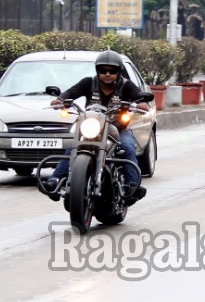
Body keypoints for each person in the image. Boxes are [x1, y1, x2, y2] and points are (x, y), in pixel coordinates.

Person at [40, 51, 151, 203]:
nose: (107, 74)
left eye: (112, 71)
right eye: (103, 70)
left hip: (118, 129)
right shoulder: (88, 83)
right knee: (73, 145)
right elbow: (72, 92)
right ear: (97, 71)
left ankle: (132, 186)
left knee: (127, 147)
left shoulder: (126, 85)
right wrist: (60, 100)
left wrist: (141, 103)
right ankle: (54, 181)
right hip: (92, 129)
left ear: (118, 72)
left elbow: (138, 94)